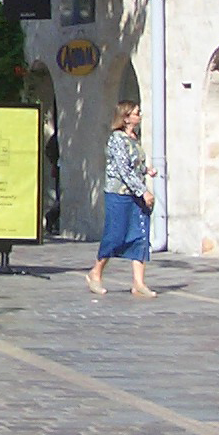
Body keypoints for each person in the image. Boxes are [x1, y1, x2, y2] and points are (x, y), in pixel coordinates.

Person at [87, 101, 156, 297]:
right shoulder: (117, 139)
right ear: (125, 118)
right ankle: (96, 272)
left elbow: (134, 164)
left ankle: (139, 282)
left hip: (136, 193)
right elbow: (123, 169)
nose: (139, 115)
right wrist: (143, 191)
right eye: (135, 113)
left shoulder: (134, 138)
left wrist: (146, 170)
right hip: (119, 193)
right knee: (115, 235)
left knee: (140, 235)